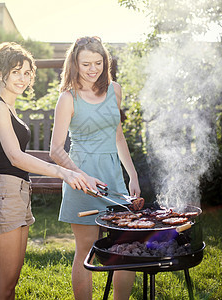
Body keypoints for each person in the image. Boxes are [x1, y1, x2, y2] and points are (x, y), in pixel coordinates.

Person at [0, 42, 102, 300]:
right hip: (5, 195)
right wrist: (63, 172)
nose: (23, 78)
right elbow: (14, 156)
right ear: (0, 74)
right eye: (16, 72)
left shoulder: (8, 108)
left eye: (27, 73)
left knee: (11, 284)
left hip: (16, 194)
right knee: (2, 287)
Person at [50, 36, 141, 300]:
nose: (93, 69)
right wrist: (81, 176)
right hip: (81, 180)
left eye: (98, 62)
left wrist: (132, 174)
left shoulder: (115, 90)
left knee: (125, 246)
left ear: (106, 62)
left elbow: (118, 136)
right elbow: (55, 150)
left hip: (114, 179)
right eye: (86, 63)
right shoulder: (67, 98)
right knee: (86, 249)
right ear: (74, 64)